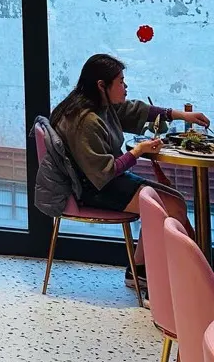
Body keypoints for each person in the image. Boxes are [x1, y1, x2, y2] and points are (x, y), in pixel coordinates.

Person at [50, 53, 208, 286]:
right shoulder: (86, 120)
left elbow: (136, 110)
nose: (125, 87)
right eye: (121, 81)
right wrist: (138, 151)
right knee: (172, 206)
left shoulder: (97, 106)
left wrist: (182, 115)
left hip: (105, 181)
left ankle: (144, 271)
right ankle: (180, 278)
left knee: (173, 200)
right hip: (94, 189)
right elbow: (104, 172)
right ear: (101, 85)